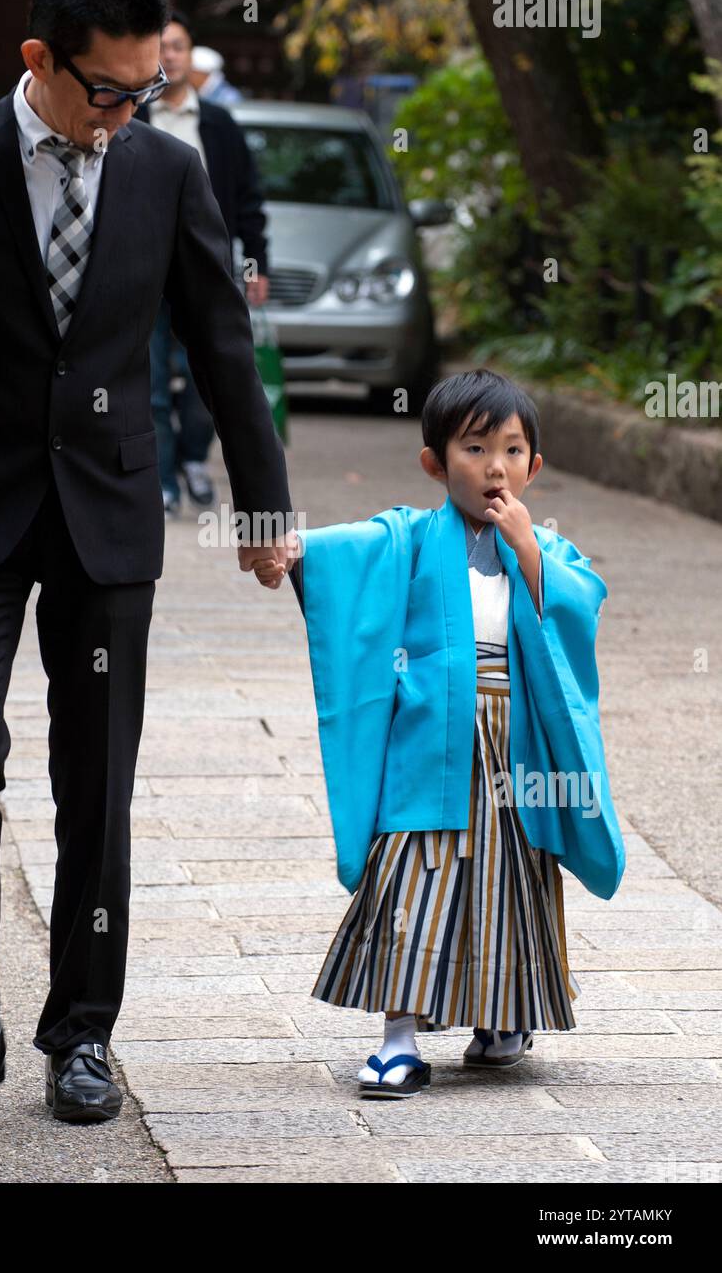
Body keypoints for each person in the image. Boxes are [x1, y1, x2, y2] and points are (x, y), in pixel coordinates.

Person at [0, 0, 297, 1131]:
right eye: (108, 91)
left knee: (97, 783)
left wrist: (263, 508)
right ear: (39, 58)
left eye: (147, 90)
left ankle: (81, 1034)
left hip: (106, 510)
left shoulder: (163, 171)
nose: (126, 112)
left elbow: (220, 345)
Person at [261, 369, 625, 1097]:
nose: (496, 467)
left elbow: (579, 604)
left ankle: (501, 1018)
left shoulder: (546, 548)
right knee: (413, 879)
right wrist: (292, 549)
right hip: (430, 744)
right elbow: (348, 552)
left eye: (514, 450)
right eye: (475, 448)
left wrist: (528, 550)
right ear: (435, 462)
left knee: (510, 883)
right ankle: (397, 1040)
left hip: (516, 745)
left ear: (536, 466)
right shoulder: (411, 537)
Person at [134, 12, 269, 514]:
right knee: (147, 380)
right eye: (161, 46)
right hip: (146, 271)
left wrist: (256, 264)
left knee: (211, 373)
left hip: (210, 270)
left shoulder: (219, 124)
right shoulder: (133, 117)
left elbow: (249, 200)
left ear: (192, 57)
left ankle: (194, 455)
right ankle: (162, 478)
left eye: (178, 46)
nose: (169, 55)